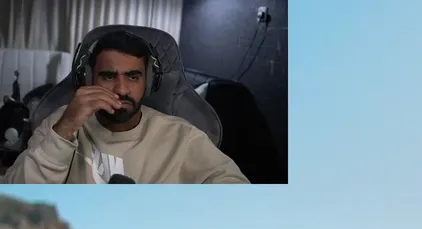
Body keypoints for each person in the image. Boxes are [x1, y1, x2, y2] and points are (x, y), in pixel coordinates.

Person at [2, 29, 248, 184]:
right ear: (89, 79)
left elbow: (235, 191)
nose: (121, 89)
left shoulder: (182, 137)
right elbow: (17, 196)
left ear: (148, 83)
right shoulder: (60, 122)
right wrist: (65, 129)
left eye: (133, 77)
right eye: (108, 76)